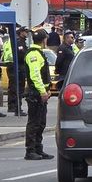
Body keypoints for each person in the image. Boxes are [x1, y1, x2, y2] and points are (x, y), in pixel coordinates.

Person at [23, 30, 54, 160]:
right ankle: (30, 150)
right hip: (35, 93)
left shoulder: (38, 53)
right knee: (34, 122)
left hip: (41, 93)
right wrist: (42, 91)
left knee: (41, 123)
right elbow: (35, 75)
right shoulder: (33, 54)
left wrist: (47, 90)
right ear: (43, 40)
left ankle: (38, 148)